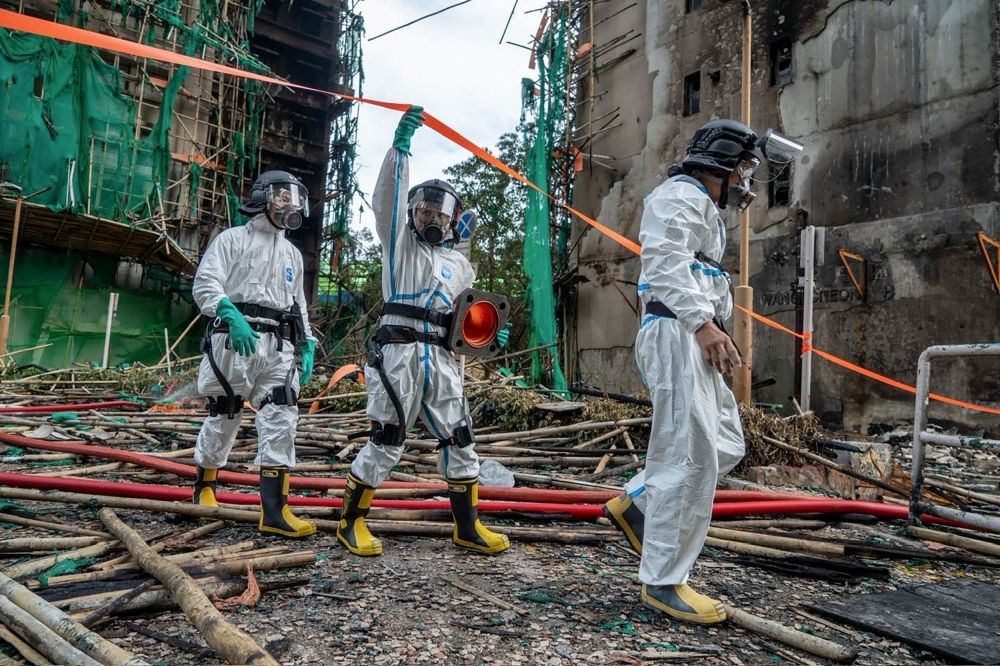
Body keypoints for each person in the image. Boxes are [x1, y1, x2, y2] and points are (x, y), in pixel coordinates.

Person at [603, 119, 801, 623]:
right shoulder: (678, 196)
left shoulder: (704, 208)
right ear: (721, 163)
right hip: (677, 333)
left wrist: (713, 326)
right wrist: (702, 326)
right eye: (743, 168)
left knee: (723, 443)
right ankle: (663, 581)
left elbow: (694, 274)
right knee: (687, 458)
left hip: (693, 332)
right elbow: (665, 262)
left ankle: (638, 503)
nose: (746, 179)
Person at [336, 106, 511, 557]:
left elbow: (466, 316)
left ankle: (467, 526)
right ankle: (351, 523)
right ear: (413, 213)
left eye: (443, 211)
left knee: (461, 438)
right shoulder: (401, 248)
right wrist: (400, 150)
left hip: (444, 360)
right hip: (399, 354)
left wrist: (487, 334)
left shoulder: (459, 264)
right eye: (426, 208)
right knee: (387, 439)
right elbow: (388, 203)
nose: (434, 215)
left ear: (455, 219)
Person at [190, 170, 318, 539]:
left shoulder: (292, 253)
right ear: (263, 197)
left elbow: (299, 306)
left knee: (282, 415)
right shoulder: (232, 239)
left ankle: (274, 510)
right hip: (235, 340)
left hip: (277, 344)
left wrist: (306, 343)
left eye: (293, 198)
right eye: (282, 196)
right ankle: (205, 486)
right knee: (225, 415)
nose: (289, 204)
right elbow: (206, 284)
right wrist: (229, 314)